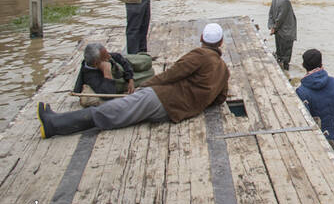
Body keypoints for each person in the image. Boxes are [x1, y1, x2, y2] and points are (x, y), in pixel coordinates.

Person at [37, 23, 229, 139]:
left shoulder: (199, 55)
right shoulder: (223, 70)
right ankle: (55, 122)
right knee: (115, 113)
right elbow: (219, 99)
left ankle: (53, 125)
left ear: (202, 38)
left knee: (108, 112)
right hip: (176, 110)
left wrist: (145, 85)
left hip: (162, 98)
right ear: (220, 43)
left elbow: (172, 74)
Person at [295, 48, 334, 151]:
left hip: (311, 141)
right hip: (330, 137)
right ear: (321, 63)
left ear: (303, 65)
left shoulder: (301, 91)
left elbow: (304, 122)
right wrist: (330, 122)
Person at [73, 43, 155, 97]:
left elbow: (118, 57)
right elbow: (108, 95)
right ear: (96, 63)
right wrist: (107, 73)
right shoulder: (91, 77)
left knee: (146, 60)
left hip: (121, 67)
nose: (109, 56)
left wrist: (130, 79)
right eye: (106, 56)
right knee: (150, 74)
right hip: (117, 78)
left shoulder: (103, 56)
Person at [268, 0, 297, 71]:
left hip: (279, 32)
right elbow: (281, 17)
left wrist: (272, 26)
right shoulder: (286, 1)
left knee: (279, 52)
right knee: (286, 55)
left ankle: (280, 68)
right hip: (286, 32)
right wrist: (275, 27)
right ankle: (285, 72)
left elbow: (271, 13)